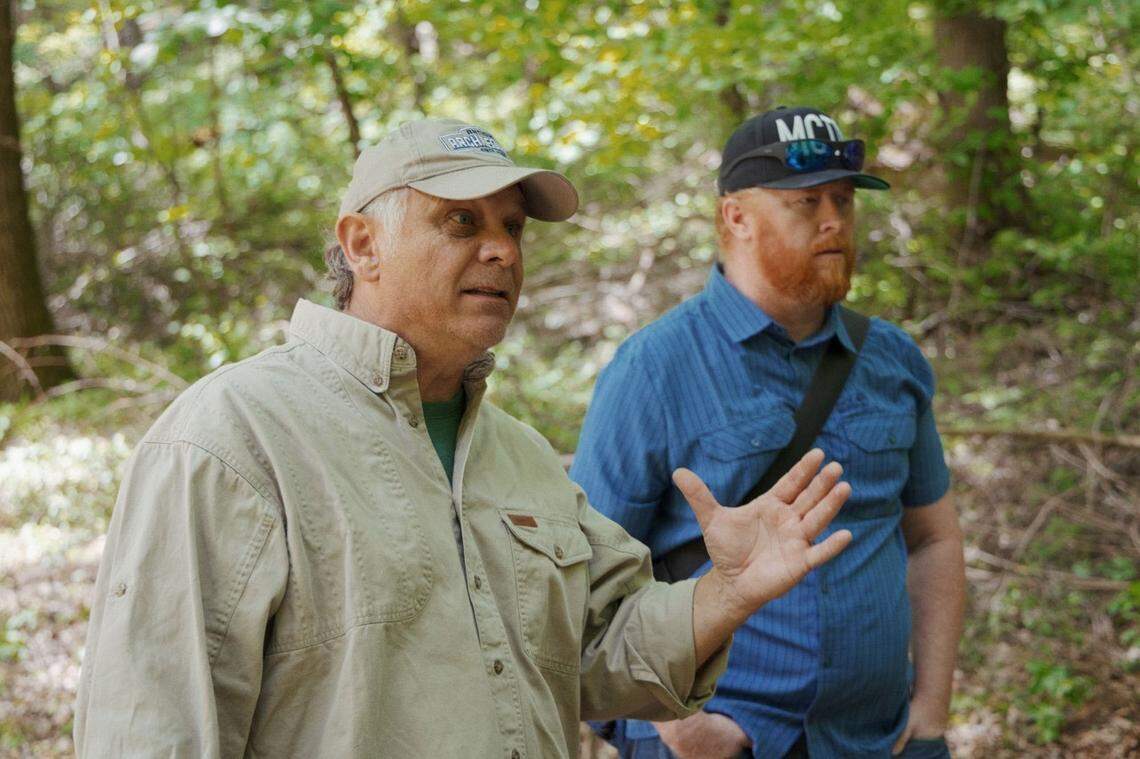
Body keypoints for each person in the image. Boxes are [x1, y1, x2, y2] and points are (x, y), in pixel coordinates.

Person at [72, 118, 855, 758]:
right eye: (461, 220)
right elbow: (151, 727)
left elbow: (600, 650)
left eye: (512, 226)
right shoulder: (230, 441)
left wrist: (727, 591)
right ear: (361, 244)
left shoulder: (517, 457)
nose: (503, 250)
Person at [571, 106, 966, 759]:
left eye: (843, 198)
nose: (834, 218)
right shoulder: (654, 367)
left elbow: (933, 536)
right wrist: (679, 727)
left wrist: (931, 708)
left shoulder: (892, 359)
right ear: (736, 216)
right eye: (806, 201)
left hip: (883, 739)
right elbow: (583, 579)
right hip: (720, 742)